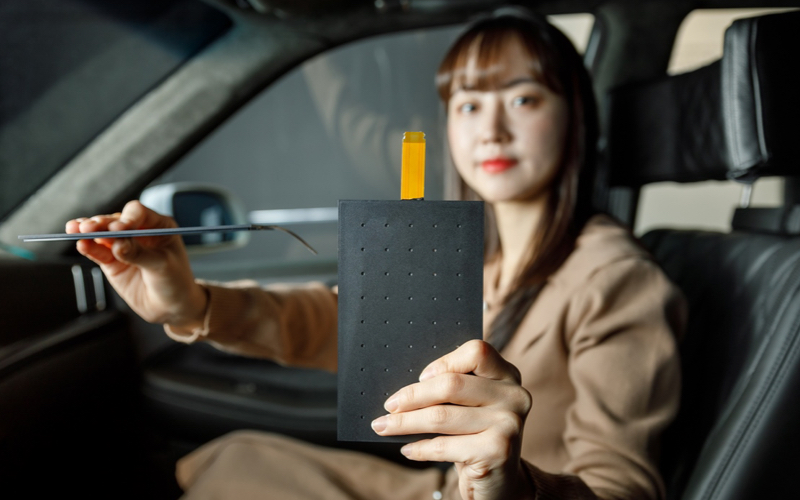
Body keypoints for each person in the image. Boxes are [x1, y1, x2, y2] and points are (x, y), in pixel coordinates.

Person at [66, 9, 685, 500]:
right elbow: (337, 323)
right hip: (435, 488)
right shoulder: (467, 253)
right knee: (237, 461)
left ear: (575, 117)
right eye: (469, 104)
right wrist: (192, 302)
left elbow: (622, 487)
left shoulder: (615, 279)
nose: (490, 130)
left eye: (523, 99)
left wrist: (512, 486)